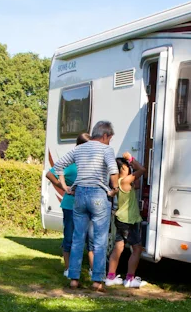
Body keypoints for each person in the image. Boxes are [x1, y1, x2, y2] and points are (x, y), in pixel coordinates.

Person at [51, 120, 119, 292]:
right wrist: (115, 189)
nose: (109, 141)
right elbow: (113, 170)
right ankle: (97, 281)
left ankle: (73, 279)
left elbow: (58, 166)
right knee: (99, 240)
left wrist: (65, 187)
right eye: (109, 138)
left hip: (79, 195)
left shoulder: (79, 149)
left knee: (77, 238)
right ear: (104, 135)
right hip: (98, 195)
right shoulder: (106, 150)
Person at [45, 132, 94, 277]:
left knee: (91, 238)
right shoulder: (71, 161)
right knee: (70, 237)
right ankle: (68, 269)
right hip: (70, 205)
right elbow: (50, 173)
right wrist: (63, 187)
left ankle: (93, 270)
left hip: (88, 205)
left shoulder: (91, 162)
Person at [106, 151, 146, 289]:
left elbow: (138, 184)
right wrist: (131, 159)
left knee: (118, 247)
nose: (129, 167)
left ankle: (110, 277)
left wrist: (132, 167)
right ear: (122, 169)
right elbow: (142, 170)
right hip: (129, 220)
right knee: (137, 249)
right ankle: (130, 279)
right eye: (127, 166)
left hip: (120, 219)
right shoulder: (125, 181)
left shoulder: (118, 182)